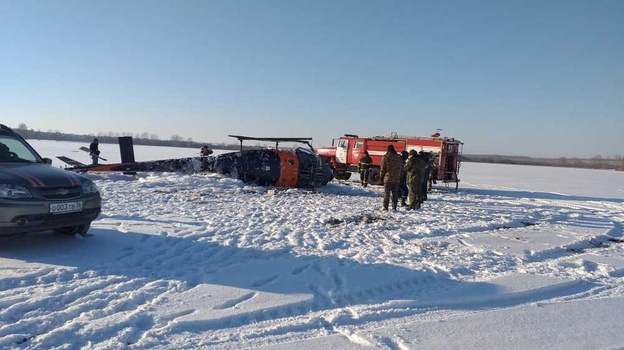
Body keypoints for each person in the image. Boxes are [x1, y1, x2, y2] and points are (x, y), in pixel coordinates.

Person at [379, 144, 403, 211]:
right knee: (395, 193)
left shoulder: (386, 157)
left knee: (387, 193)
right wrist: (400, 176)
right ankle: (394, 207)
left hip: (388, 178)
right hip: (396, 178)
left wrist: (381, 177)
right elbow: (402, 168)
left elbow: (383, 169)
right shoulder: (399, 157)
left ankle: (385, 207)